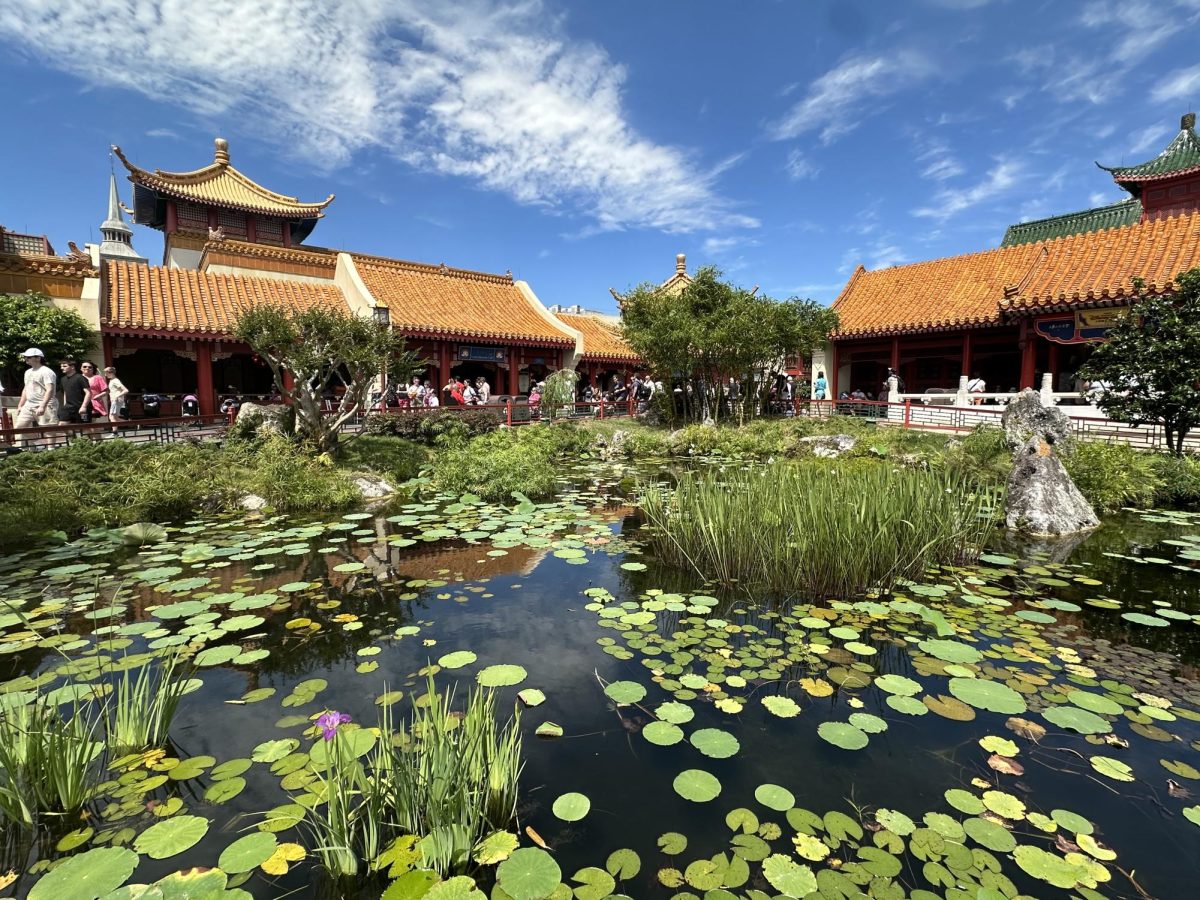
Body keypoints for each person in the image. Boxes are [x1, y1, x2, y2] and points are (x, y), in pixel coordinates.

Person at [15, 348, 57, 446]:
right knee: (19, 427)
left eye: (28, 357)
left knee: (48, 429)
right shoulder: (27, 372)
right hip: (29, 404)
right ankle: (36, 444)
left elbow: (50, 389)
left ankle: (51, 450)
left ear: (38, 358)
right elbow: (26, 389)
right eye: (25, 357)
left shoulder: (46, 371)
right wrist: (20, 405)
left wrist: (42, 405)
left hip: (46, 404)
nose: (26, 359)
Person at [57, 358, 92, 425]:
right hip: (68, 408)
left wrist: (84, 406)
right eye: (61, 366)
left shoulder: (80, 378)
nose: (62, 368)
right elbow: (65, 392)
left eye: (64, 366)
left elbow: (88, 393)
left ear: (72, 367)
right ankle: (72, 436)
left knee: (87, 428)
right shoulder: (63, 379)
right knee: (62, 425)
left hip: (81, 407)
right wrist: (65, 405)